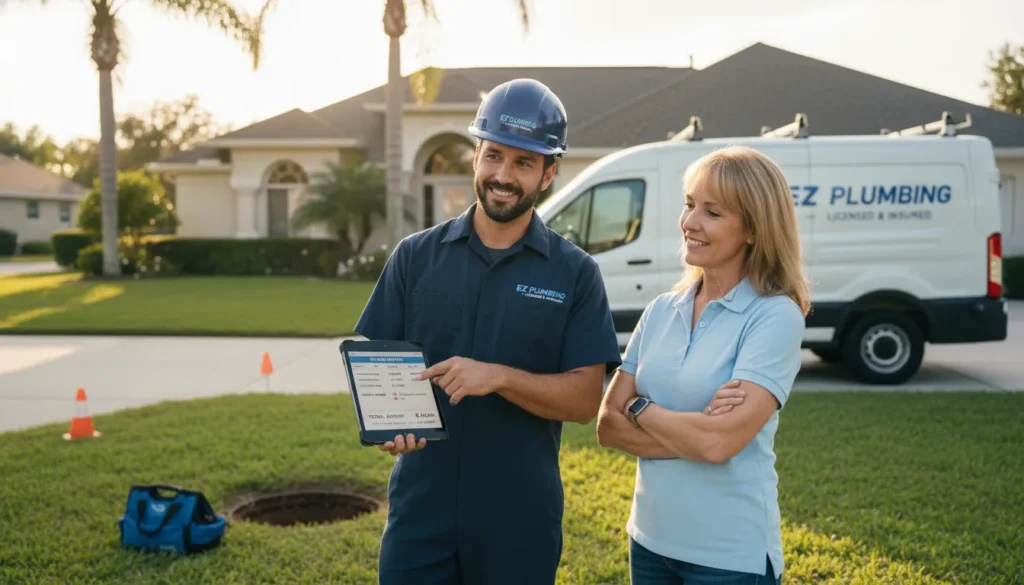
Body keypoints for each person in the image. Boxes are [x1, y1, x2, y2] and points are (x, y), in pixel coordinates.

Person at [354, 78, 622, 585]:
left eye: (524, 162)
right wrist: (390, 428)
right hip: (420, 512)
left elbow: (586, 401)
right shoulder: (415, 257)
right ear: (475, 156)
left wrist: (498, 377)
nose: (504, 175)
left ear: (548, 174)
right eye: (494, 155)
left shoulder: (575, 273)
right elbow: (379, 370)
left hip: (518, 517)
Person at [595, 145, 811, 585]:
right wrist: (700, 434)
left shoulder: (774, 316)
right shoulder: (660, 310)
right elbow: (606, 426)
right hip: (649, 541)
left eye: (712, 212)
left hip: (727, 556)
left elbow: (716, 446)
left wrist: (639, 408)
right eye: (690, 204)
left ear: (753, 229)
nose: (690, 222)